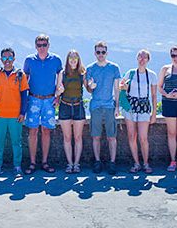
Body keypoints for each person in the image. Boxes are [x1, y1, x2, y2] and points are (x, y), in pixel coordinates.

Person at [23, 34, 63, 174]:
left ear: (48, 45)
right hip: (33, 99)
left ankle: (45, 162)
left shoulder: (56, 60)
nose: (41, 48)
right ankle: (33, 163)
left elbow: (60, 79)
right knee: (32, 131)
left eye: (44, 45)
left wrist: (58, 96)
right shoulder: (29, 60)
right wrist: (23, 101)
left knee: (47, 131)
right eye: (39, 45)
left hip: (49, 100)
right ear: (35, 46)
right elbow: (24, 81)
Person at [0, 47, 29, 177]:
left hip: (15, 115)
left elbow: (24, 95)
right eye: (5, 58)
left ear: (14, 59)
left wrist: (23, 112)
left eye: (10, 58)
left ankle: (17, 167)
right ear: (1, 59)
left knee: (17, 142)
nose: (7, 60)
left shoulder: (20, 75)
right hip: (0, 115)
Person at [85, 41, 121, 175]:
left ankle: (112, 162)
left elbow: (117, 89)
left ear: (107, 53)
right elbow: (88, 87)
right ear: (95, 53)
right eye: (98, 52)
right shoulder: (90, 68)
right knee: (96, 136)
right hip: (95, 106)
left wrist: (117, 107)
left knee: (112, 136)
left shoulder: (114, 68)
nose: (101, 55)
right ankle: (97, 161)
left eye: (103, 52)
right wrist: (90, 86)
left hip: (109, 106)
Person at [120, 49, 158, 174]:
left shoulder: (152, 75)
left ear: (148, 60)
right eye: (140, 57)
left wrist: (154, 113)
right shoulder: (130, 73)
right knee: (132, 136)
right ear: (137, 59)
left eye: (144, 58)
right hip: (131, 107)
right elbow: (122, 89)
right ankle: (136, 163)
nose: (142, 60)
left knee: (143, 137)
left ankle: (146, 163)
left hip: (144, 106)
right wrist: (123, 88)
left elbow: (153, 95)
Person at [55, 50, 86, 173]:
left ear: (78, 60)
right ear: (67, 60)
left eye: (75, 58)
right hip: (65, 106)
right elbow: (57, 92)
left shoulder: (82, 73)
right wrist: (59, 91)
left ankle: (77, 164)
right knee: (67, 137)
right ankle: (69, 164)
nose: (73, 61)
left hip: (78, 106)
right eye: (71, 58)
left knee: (78, 137)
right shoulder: (62, 74)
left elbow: (89, 88)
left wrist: (91, 85)